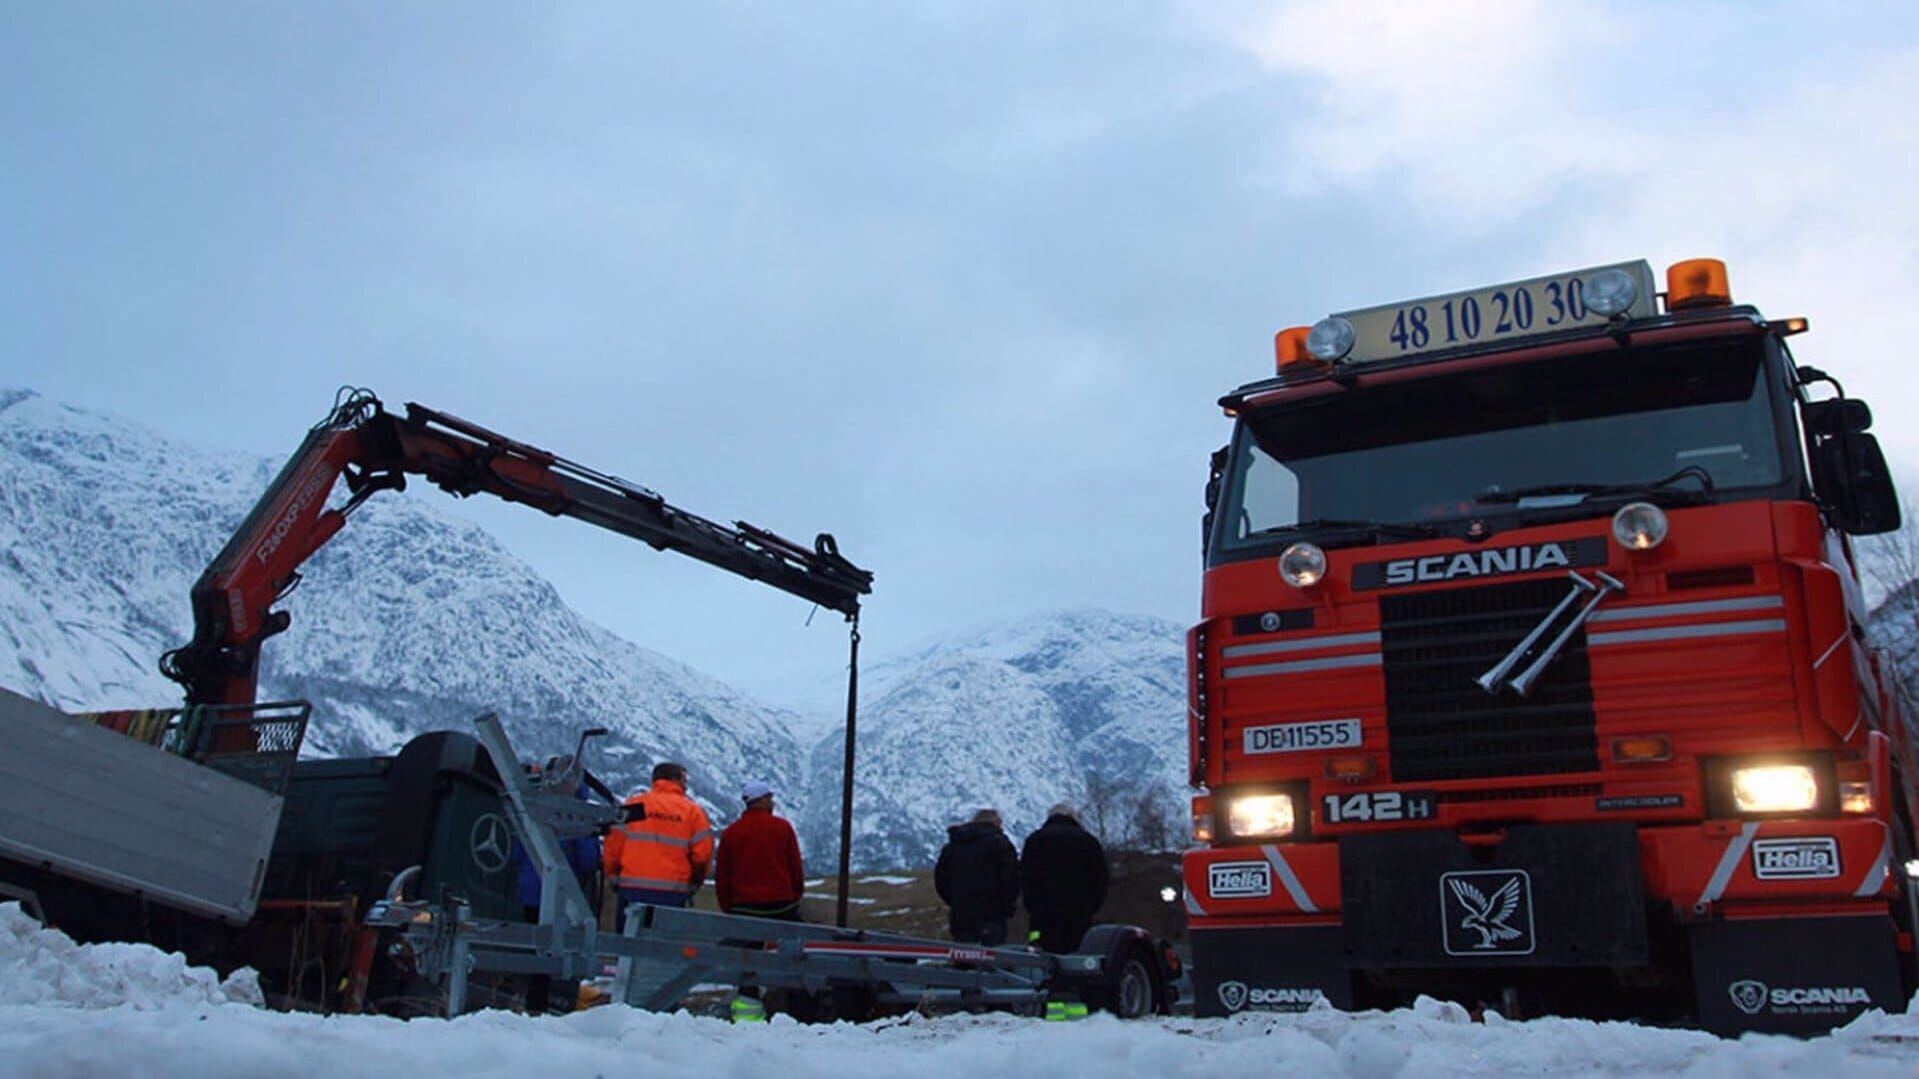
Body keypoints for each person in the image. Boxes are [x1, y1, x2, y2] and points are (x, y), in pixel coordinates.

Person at [510, 757, 602, 1013]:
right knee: (559, 958)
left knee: (533, 953)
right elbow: (587, 860)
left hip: (530, 891)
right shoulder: (580, 812)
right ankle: (551, 1008)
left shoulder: (534, 805)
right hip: (563, 897)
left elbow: (517, 852)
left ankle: (531, 1005)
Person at [602, 761, 714, 912]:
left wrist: (614, 878)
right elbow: (702, 856)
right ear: (676, 780)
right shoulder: (693, 812)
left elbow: (612, 848)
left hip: (632, 888)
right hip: (673, 892)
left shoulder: (631, 806)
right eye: (684, 781)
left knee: (629, 933)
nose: (686, 786)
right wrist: (694, 884)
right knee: (663, 935)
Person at [1019, 802, 1108, 954]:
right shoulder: (1088, 841)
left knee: (1038, 950)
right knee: (1077, 952)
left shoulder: (1034, 840)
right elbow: (1100, 876)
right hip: (1079, 911)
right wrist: (1093, 906)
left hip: (1042, 913)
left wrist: (1031, 904)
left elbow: (1025, 875)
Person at [715, 780, 807, 921]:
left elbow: (723, 874)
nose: (772, 803)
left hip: (743, 907)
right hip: (781, 905)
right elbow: (795, 866)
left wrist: (728, 906)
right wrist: (794, 896)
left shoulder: (731, 832)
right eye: (770, 798)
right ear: (763, 800)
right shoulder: (783, 827)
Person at [934, 808, 1019, 946]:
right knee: (992, 957)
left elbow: (941, 881)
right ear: (995, 823)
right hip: (992, 914)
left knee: (963, 954)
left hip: (960, 913)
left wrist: (955, 900)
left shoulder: (952, 846)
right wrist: (1007, 907)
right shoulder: (1000, 844)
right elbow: (1010, 880)